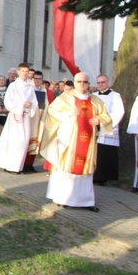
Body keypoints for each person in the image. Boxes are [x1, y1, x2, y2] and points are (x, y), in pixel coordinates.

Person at [40, 72, 112, 211]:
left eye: (85, 82)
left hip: (88, 141)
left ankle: (85, 201)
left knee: (85, 171)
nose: (82, 84)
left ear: (88, 83)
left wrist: (99, 120)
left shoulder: (95, 100)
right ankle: (64, 198)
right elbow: (53, 111)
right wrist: (69, 113)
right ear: (75, 83)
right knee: (66, 167)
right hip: (69, 140)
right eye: (79, 82)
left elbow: (105, 116)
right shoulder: (65, 98)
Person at [0, 63, 38, 174]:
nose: (25, 73)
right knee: (14, 141)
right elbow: (8, 102)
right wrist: (21, 106)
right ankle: (10, 166)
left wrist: (29, 105)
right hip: (15, 116)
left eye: (27, 71)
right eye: (23, 71)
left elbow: (34, 101)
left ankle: (18, 166)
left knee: (23, 141)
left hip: (25, 116)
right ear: (18, 71)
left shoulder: (30, 86)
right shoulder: (13, 86)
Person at [93, 74, 125, 185]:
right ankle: (93, 175)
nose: (101, 84)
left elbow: (119, 112)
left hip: (108, 128)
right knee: (95, 153)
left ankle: (103, 178)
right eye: (99, 82)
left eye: (103, 82)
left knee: (105, 153)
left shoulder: (115, 96)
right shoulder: (93, 95)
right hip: (94, 127)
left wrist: (104, 122)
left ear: (108, 83)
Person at [22, 70, 54, 173]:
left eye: (40, 79)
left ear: (42, 80)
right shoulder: (29, 89)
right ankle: (24, 164)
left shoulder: (44, 91)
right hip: (30, 118)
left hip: (40, 118)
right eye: (36, 78)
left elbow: (46, 104)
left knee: (36, 142)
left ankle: (30, 164)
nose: (37, 81)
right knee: (28, 141)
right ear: (32, 79)